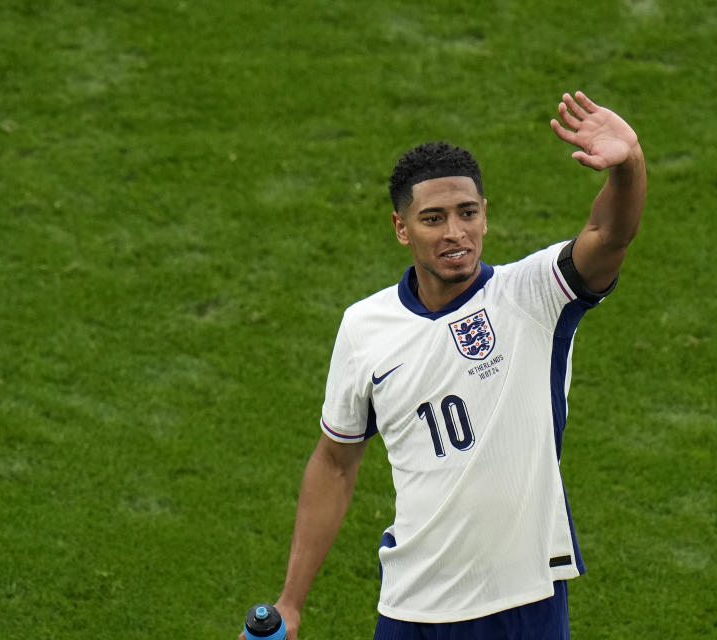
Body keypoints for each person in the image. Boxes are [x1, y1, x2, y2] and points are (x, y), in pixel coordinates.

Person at [242, 91, 646, 639]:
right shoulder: (365, 327)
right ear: (401, 228)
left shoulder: (531, 295)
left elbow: (610, 235)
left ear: (485, 218)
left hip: (523, 596)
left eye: (467, 213)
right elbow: (336, 463)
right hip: (413, 605)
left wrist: (629, 165)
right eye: (433, 219)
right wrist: (291, 602)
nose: (455, 232)